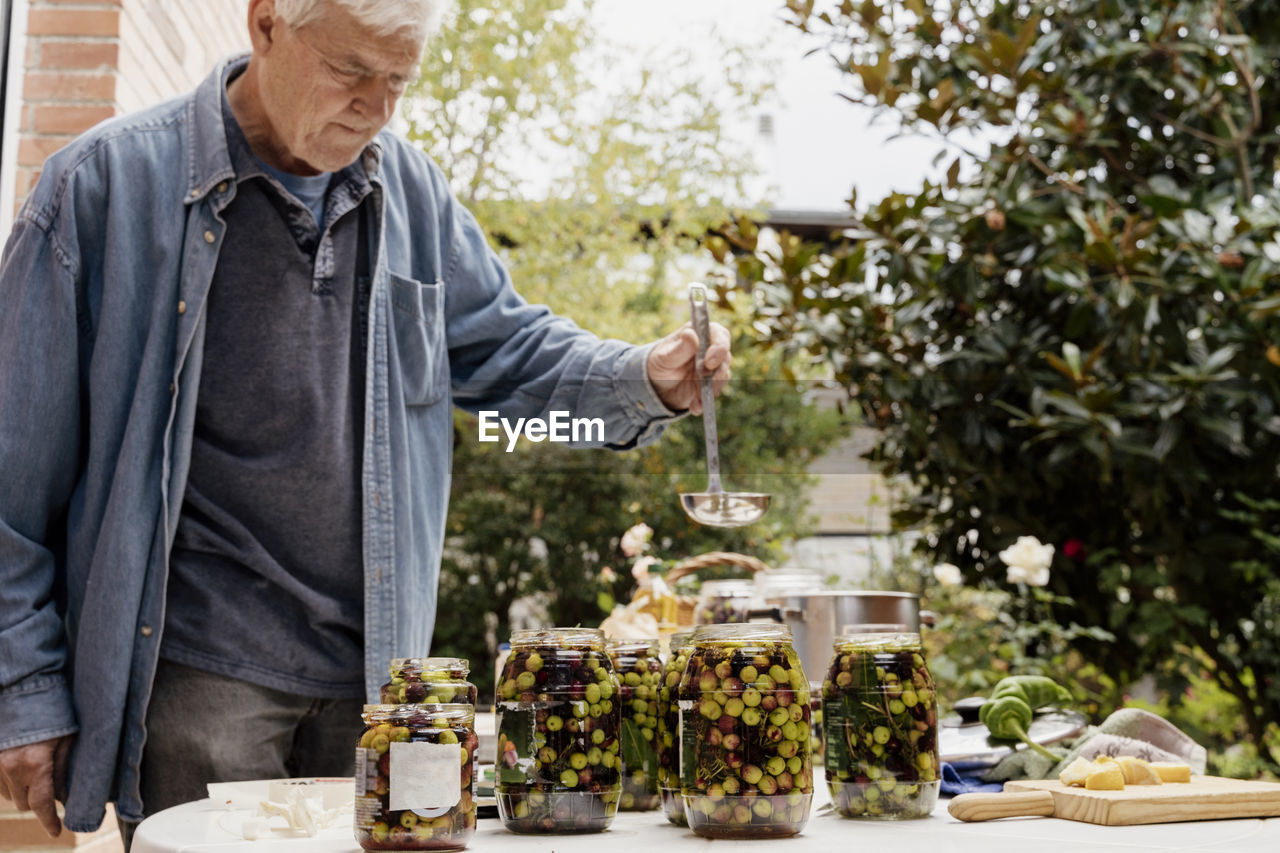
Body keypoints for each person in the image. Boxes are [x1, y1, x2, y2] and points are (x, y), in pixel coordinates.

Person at [0, 0, 731, 843]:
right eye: (353, 72)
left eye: (399, 81)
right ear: (267, 23)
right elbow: (13, 480)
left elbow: (512, 351)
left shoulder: (410, 191)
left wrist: (645, 375)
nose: (378, 108)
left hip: (385, 684)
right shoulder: (102, 188)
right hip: (201, 683)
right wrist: (25, 688)